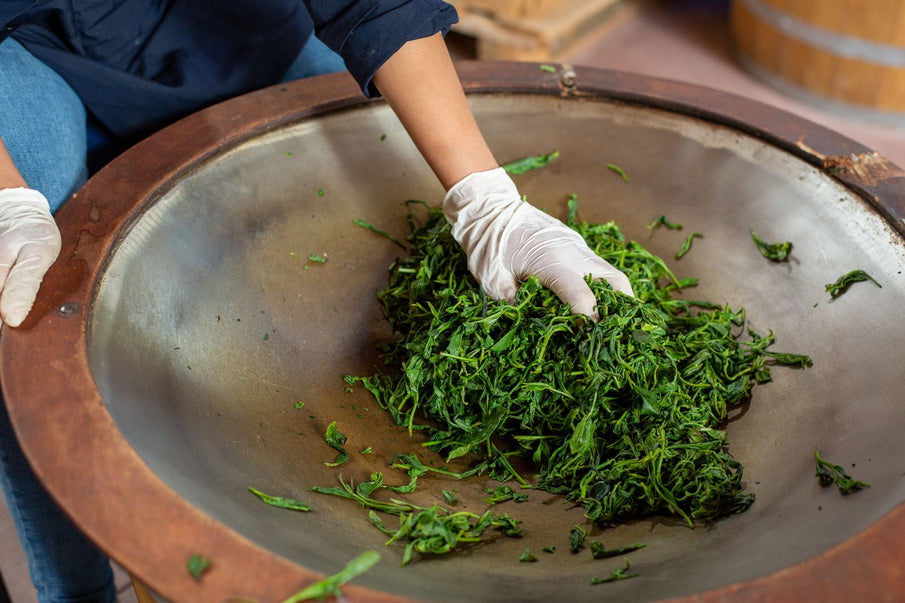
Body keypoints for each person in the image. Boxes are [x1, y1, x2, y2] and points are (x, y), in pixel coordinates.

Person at [0, 1, 632, 601]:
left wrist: (488, 202)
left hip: (226, 21)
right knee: (22, 285)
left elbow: (381, 8)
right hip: (30, 43)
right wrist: (7, 199)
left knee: (387, 143)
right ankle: (73, 588)